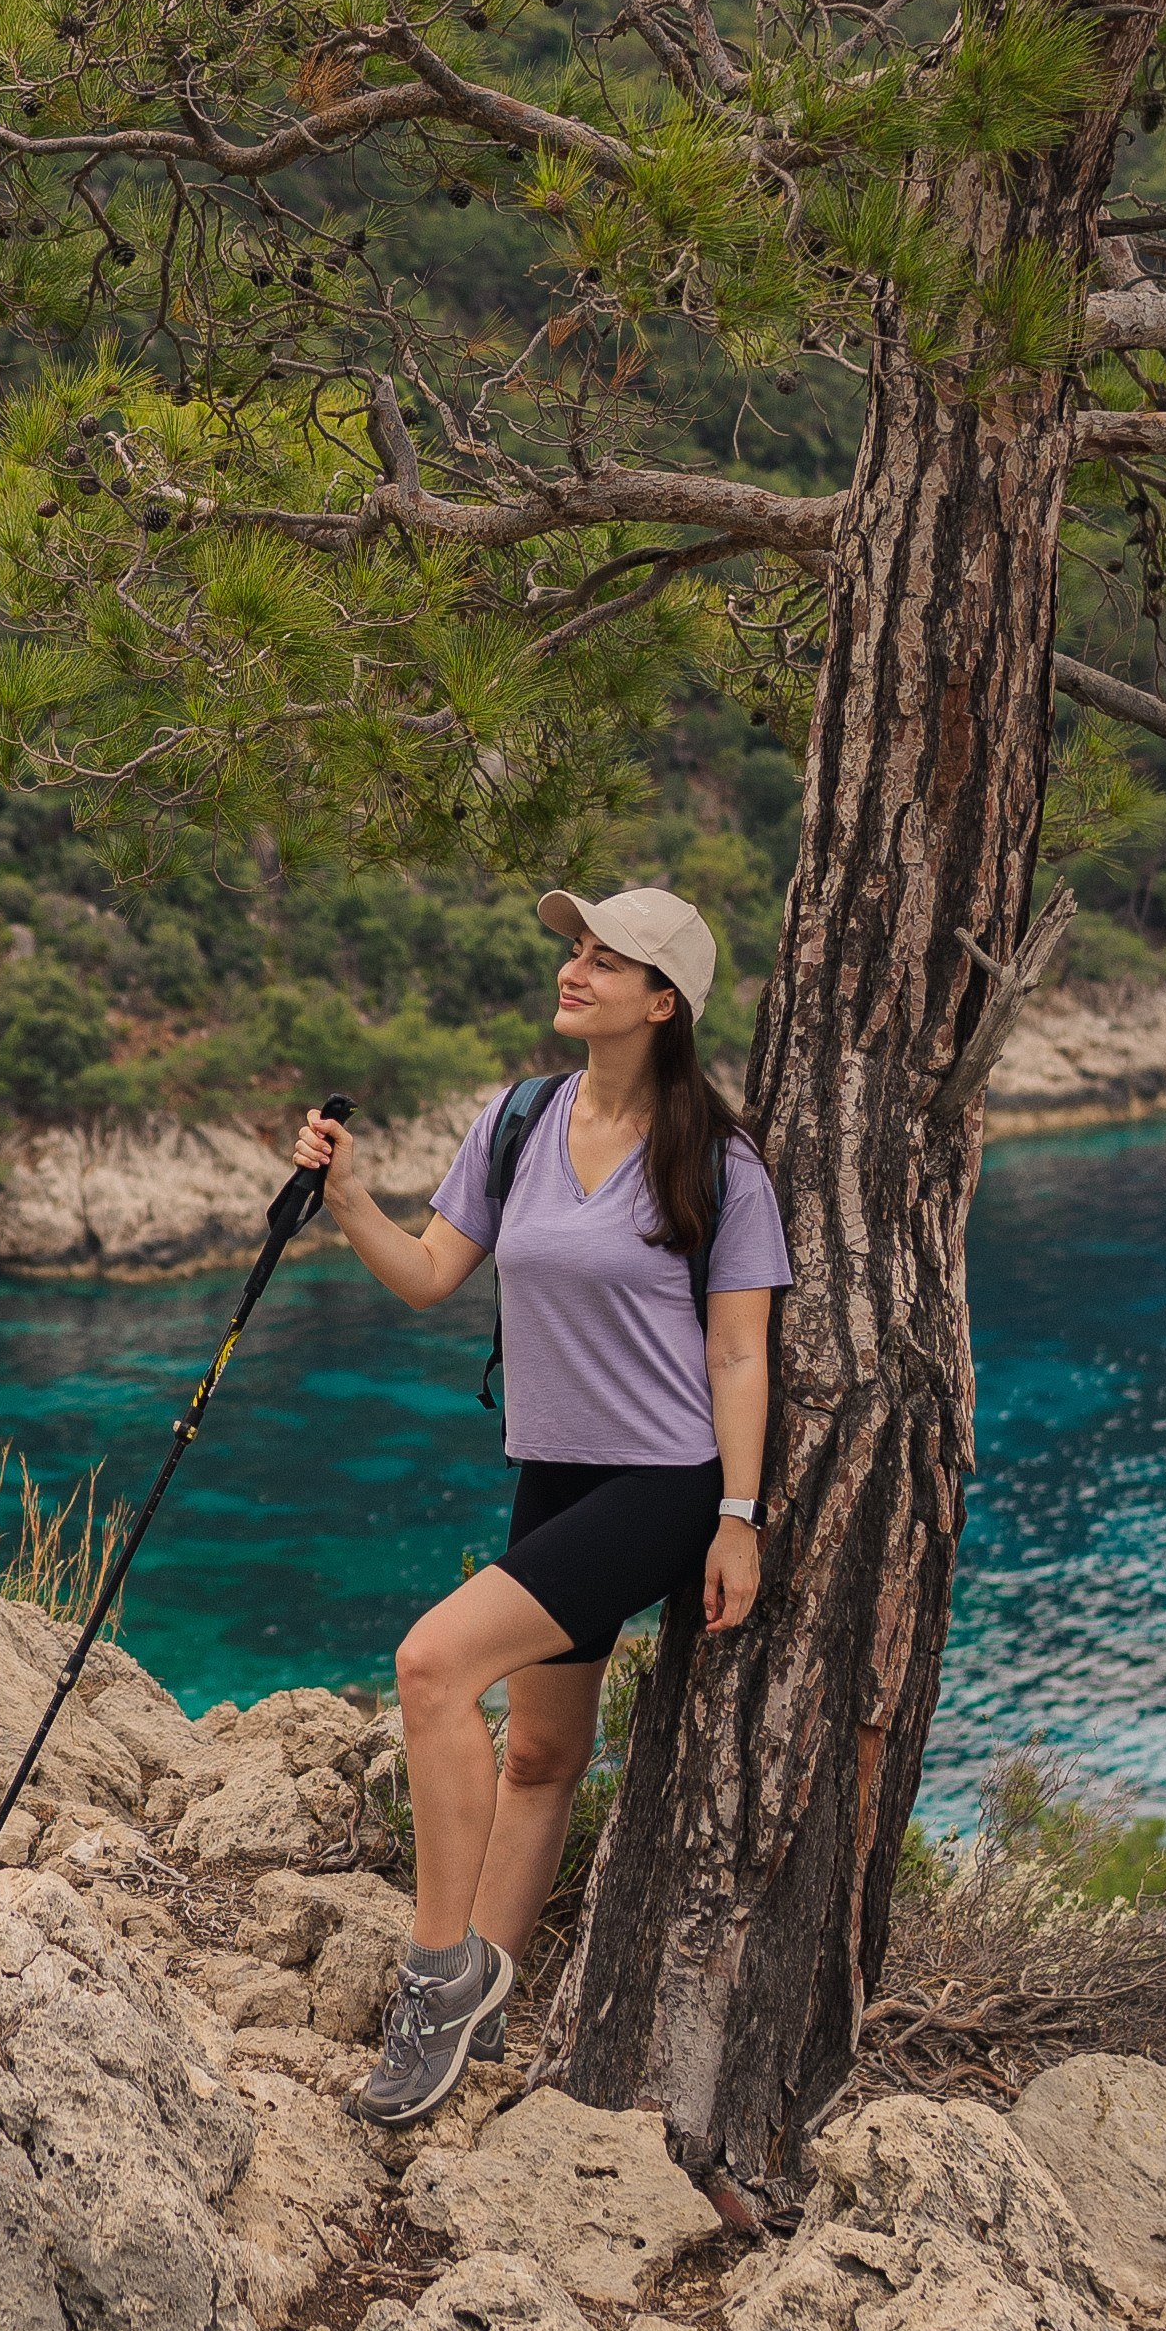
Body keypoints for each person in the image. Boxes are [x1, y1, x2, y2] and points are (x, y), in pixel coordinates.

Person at [293, 882, 791, 2127]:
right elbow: (427, 1274)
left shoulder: (722, 1168)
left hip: (665, 1481)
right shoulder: (516, 1120)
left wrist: (738, 1514)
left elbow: (739, 1356)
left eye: (604, 959)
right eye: (573, 948)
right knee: (540, 1751)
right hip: (554, 1469)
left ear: (661, 1000)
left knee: (429, 1667)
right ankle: (488, 2014)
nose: (574, 969)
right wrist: (349, 1198)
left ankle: (433, 1974)